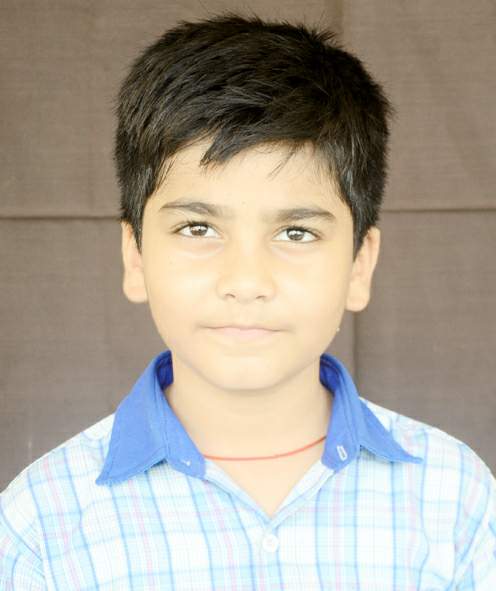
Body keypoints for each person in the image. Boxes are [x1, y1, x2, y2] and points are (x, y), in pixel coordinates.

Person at [1, 10, 495, 590]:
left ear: (360, 265)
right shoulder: (42, 523)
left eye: (296, 233)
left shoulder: (456, 499)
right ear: (135, 257)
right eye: (197, 228)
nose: (246, 280)